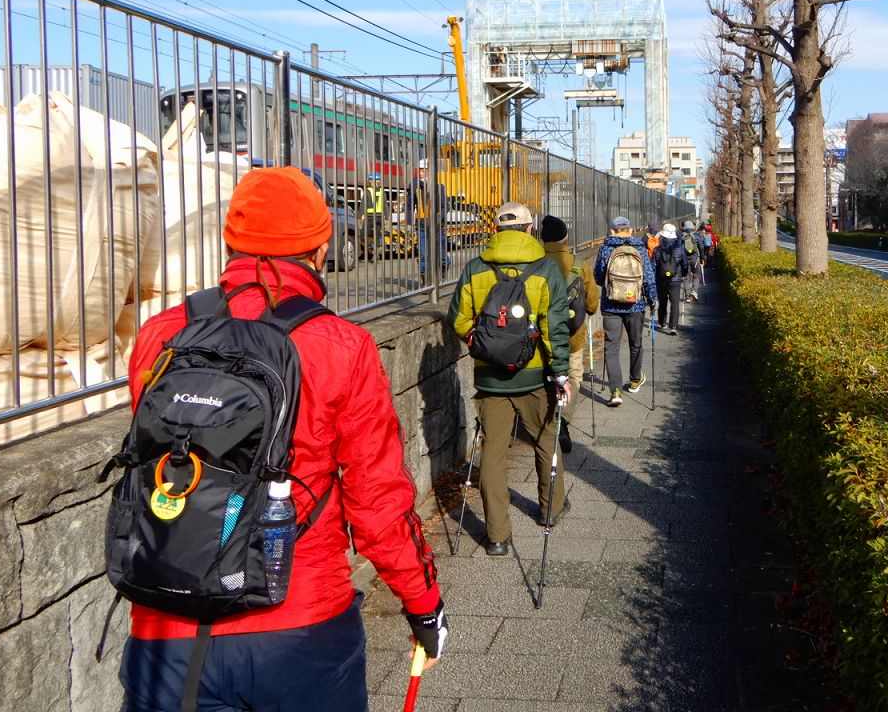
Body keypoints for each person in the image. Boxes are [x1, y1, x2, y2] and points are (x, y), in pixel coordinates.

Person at [121, 166, 447, 712]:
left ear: (232, 244)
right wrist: (423, 603)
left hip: (167, 626)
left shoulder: (161, 335)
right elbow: (377, 501)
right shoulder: (342, 345)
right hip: (300, 627)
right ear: (320, 249)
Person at [445, 202, 572, 554]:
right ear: (531, 229)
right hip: (535, 376)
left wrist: (483, 344)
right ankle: (550, 510)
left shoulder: (475, 268)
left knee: (493, 453)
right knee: (547, 440)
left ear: (496, 231)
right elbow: (554, 328)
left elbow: (457, 319)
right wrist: (560, 373)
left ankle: (498, 536)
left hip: (490, 378)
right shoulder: (546, 269)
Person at [538, 214, 600, 453]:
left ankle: (543, 422)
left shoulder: (535, 263)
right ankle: (562, 420)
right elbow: (592, 304)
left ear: (542, 239)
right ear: (566, 237)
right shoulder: (578, 264)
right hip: (572, 335)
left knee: (543, 376)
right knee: (572, 376)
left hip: (541, 337)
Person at [593, 216, 656, 407]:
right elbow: (648, 279)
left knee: (611, 348)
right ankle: (635, 379)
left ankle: (615, 391)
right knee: (635, 343)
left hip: (611, 306)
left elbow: (597, 278)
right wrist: (653, 301)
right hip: (635, 305)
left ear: (612, 231)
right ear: (630, 230)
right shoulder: (640, 249)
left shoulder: (605, 249)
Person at [653, 222, 686, 335]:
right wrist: (683, 274)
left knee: (662, 301)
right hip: (675, 279)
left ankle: (662, 322)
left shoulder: (657, 250)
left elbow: (654, 265)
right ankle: (673, 326)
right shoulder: (680, 248)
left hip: (661, 279)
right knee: (675, 302)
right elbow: (684, 263)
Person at [363, 171, 386, 260]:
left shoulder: (368, 191)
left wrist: (359, 216)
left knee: (363, 234)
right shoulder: (382, 191)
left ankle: (373, 247)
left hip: (370, 216)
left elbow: (363, 204)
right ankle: (376, 249)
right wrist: (387, 217)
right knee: (378, 235)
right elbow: (385, 205)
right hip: (379, 217)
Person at [682, 219, 703, 301]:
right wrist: (702, 258)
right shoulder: (697, 235)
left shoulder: (682, 236)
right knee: (697, 275)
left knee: (686, 277)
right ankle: (694, 291)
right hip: (695, 259)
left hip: (685, 260)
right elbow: (701, 247)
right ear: (692, 227)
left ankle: (687, 295)